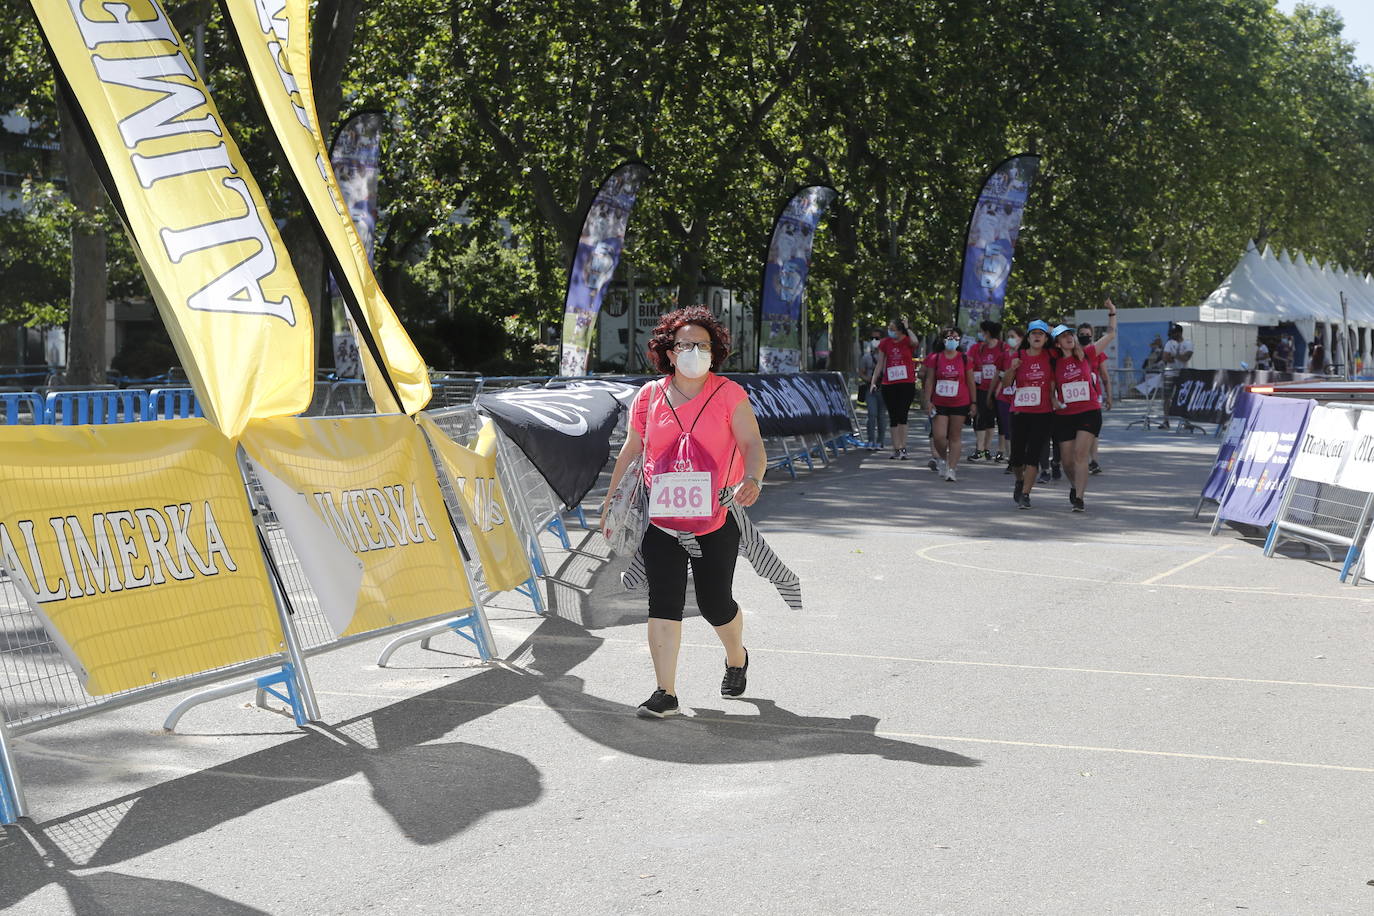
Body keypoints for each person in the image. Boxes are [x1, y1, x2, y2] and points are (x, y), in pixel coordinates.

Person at [601, 306, 767, 719]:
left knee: (714, 604)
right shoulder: (648, 396)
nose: (694, 351)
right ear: (669, 353)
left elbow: (751, 444)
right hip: (662, 520)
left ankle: (735, 657)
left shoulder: (729, 394)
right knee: (664, 602)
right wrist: (611, 499)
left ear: (715, 352)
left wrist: (754, 478)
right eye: (685, 345)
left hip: (715, 517)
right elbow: (633, 449)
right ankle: (665, 692)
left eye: (703, 345)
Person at [1052, 303, 1118, 511]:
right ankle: (1074, 485)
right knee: (1067, 462)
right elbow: (1050, 390)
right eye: (1064, 336)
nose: (1069, 338)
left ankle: (1079, 498)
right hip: (1065, 415)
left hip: (1088, 412)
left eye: (1070, 335)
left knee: (1081, 455)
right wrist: (1054, 401)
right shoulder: (1053, 364)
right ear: (1057, 343)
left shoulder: (1087, 354)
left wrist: (1112, 312)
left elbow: (1110, 334)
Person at [1002, 320, 1057, 509]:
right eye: (1033, 333)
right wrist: (1012, 368)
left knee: (1033, 456)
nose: (1037, 336)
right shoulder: (1018, 355)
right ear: (1028, 337)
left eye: (1040, 334)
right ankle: (1019, 480)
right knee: (1017, 458)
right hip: (1020, 413)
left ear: (1045, 338)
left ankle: (1026, 494)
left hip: (1043, 413)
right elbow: (1006, 384)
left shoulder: (1051, 356)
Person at [920, 327, 977, 481]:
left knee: (955, 436)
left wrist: (974, 403)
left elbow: (971, 382)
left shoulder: (965, 359)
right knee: (939, 436)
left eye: (956, 338)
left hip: (960, 402)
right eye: (949, 338)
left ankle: (951, 468)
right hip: (940, 403)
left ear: (960, 340)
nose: (952, 341)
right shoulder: (935, 358)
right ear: (943, 340)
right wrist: (928, 401)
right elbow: (930, 380)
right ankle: (943, 459)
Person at [870, 316, 921, 459]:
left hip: (906, 383)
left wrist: (908, 327)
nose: (890, 332)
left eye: (893, 329)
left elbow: (915, 342)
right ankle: (896, 448)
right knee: (893, 416)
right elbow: (880, 363)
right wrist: (874, 381)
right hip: (889, 383)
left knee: (902, 414)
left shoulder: (907, 340)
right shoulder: (885, 343)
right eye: (889, 329)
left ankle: (903, 447)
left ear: (900, 331)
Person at [968, 320, 1009, 462]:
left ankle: (1001, 451)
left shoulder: (1004, 348)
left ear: (987, 333)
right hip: (982, 389)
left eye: (982, 332)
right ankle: (981, 449)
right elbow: (969, 364)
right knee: (981, 419)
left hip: (1001, 390)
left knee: (1002, 421)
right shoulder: (977, 348)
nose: (980, 335)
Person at [1077, 321, 1111, 474]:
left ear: (1092, 336)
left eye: (1087, 334)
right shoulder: (1072, 352)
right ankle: (1079, 458)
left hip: (1094, 395)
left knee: (1093, 429)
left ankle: (1094, 460)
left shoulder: (1098, 353)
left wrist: (1109, 396)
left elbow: (1104, 376)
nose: (1085, 337)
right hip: (1076, 396)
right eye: (1082, 334)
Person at [996, 326, 1023, 471]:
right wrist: (995, 391)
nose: (1010, 339)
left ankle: (1020, 458)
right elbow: (998, 374)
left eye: (1013, 336)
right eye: (1008, 336)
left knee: (1019, 430)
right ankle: (1011, 459)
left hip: (1020, 397)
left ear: (1021, 338)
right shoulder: (1003, 355)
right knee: (1007, 429)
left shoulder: (1025, 354)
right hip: (1004, 396)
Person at [1157, 324, 1193, 430]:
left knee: (1184, 397)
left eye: (1174, 333)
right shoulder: (1169, 343)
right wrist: (1177, 356)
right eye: (1171, 333)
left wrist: (1174, 355)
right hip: (1170, 373)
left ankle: (1186, 421)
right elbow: (1165, 357)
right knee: (1167, 398)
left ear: (1179, 333)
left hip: (1182, 373)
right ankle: (1166, 421)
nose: (1172, 335)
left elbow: (1186, 357)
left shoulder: (1188, 343)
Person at [857, 329, 888, 449]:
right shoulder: (866, 357)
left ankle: (880, 441)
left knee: (881, 416)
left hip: (883, 389)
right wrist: (868, 379)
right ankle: (870, 440)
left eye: (877, 338)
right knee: (872, 414)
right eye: (873, 339)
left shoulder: (887, 357)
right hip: (870, 389)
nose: (875, 341)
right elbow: (861, 372)